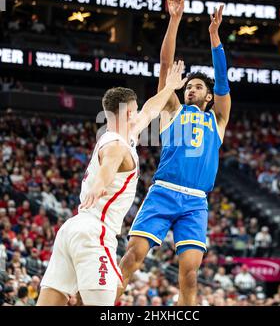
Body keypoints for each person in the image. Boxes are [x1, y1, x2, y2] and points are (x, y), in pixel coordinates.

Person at [37, 61, 187, 306]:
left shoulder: (122, 135)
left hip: (72, 229)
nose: (139, 113)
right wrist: (99, 184)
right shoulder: (116, 146)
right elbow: (109, 164)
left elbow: (151, 109)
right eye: (135, 109)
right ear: (128, 113)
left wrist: (170, 86)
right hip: (95, 233)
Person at [119, 0, 231, 305]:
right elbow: (166, 63)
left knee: (190, 276)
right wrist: (175, 19)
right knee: (132, 257)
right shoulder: (173, 109)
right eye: (190, 86)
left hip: (196, 202)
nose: (192, 90)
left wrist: (214, 36)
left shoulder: (218, 120)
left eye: (198, 87)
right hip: (164, 190)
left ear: (209, 97)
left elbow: (222, 80)